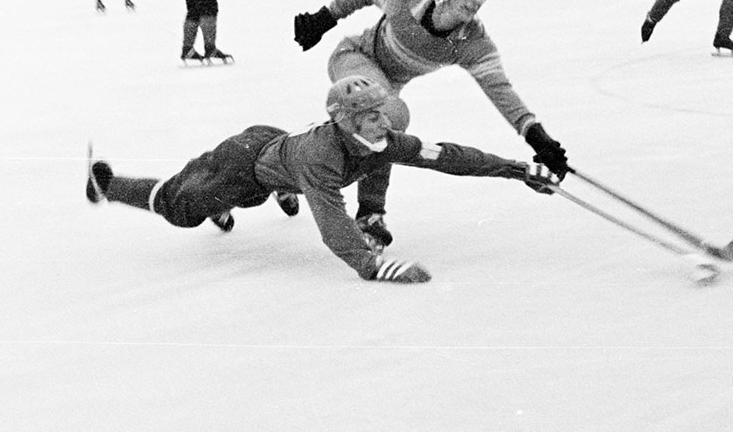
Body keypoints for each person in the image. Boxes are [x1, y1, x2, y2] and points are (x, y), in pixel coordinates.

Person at [85, 76, 558, 283]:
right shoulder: (322, 158)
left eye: (383, 113)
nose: (384, 123)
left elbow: (448, 157)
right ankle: (108, 184)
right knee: (180, 207)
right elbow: (332, 224)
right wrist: (371, 266)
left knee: (279, 182)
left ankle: (270, 194)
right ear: (344, 120)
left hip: (275, 149)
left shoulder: (383, 140)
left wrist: (517, 170)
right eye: (370, 116)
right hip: (241, 165)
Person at [292, 0, 573, 250]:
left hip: (385, 88)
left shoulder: (472, 42)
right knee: (389, 117)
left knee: (381, 122)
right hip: (353, 58)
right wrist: (324, 18)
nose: (478, 0)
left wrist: (538, 138)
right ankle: (370, 210)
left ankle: (295, 158)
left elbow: (500, 90)